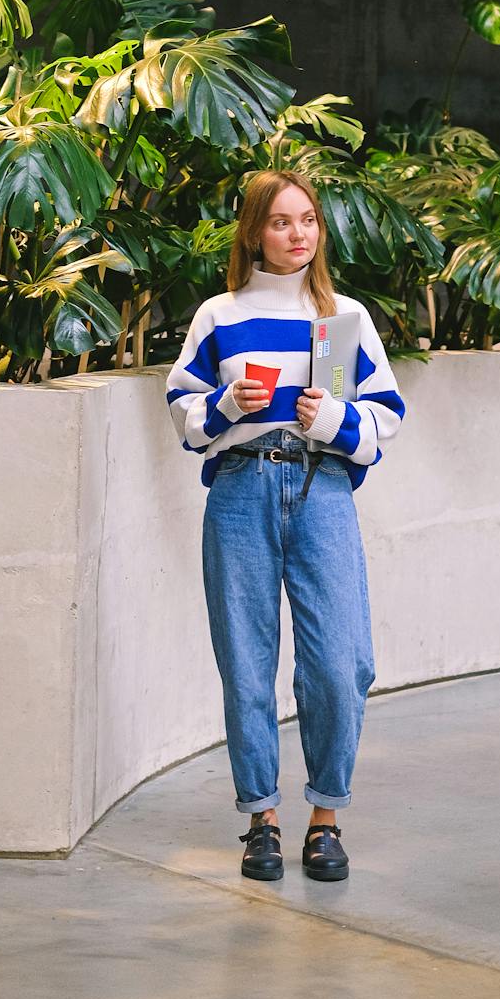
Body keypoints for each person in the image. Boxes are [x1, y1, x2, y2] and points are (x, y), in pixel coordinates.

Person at [166, 169, 406, 883]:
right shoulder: (221, 315)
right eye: (280, 222)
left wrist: (329, 418)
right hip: (241, 490)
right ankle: (261, 819)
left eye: (307, 221)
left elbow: (384, 416)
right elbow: (183, 406)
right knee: (246, 662)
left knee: (341, 664)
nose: (296, 234)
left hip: (321, 487)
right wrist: (230, 405)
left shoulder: (343, 320)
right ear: (254, 232)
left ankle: (326, 814)